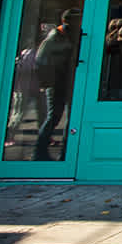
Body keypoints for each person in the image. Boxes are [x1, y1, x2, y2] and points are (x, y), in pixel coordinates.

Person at [33, 9, 81, 160]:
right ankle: (40, 152)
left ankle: (64, 154)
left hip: (66, 80)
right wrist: (45, 81)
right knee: (54, 117)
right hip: (57, 82)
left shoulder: (68, 35)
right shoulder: (56, 36)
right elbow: (41, 60)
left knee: (68, 117)